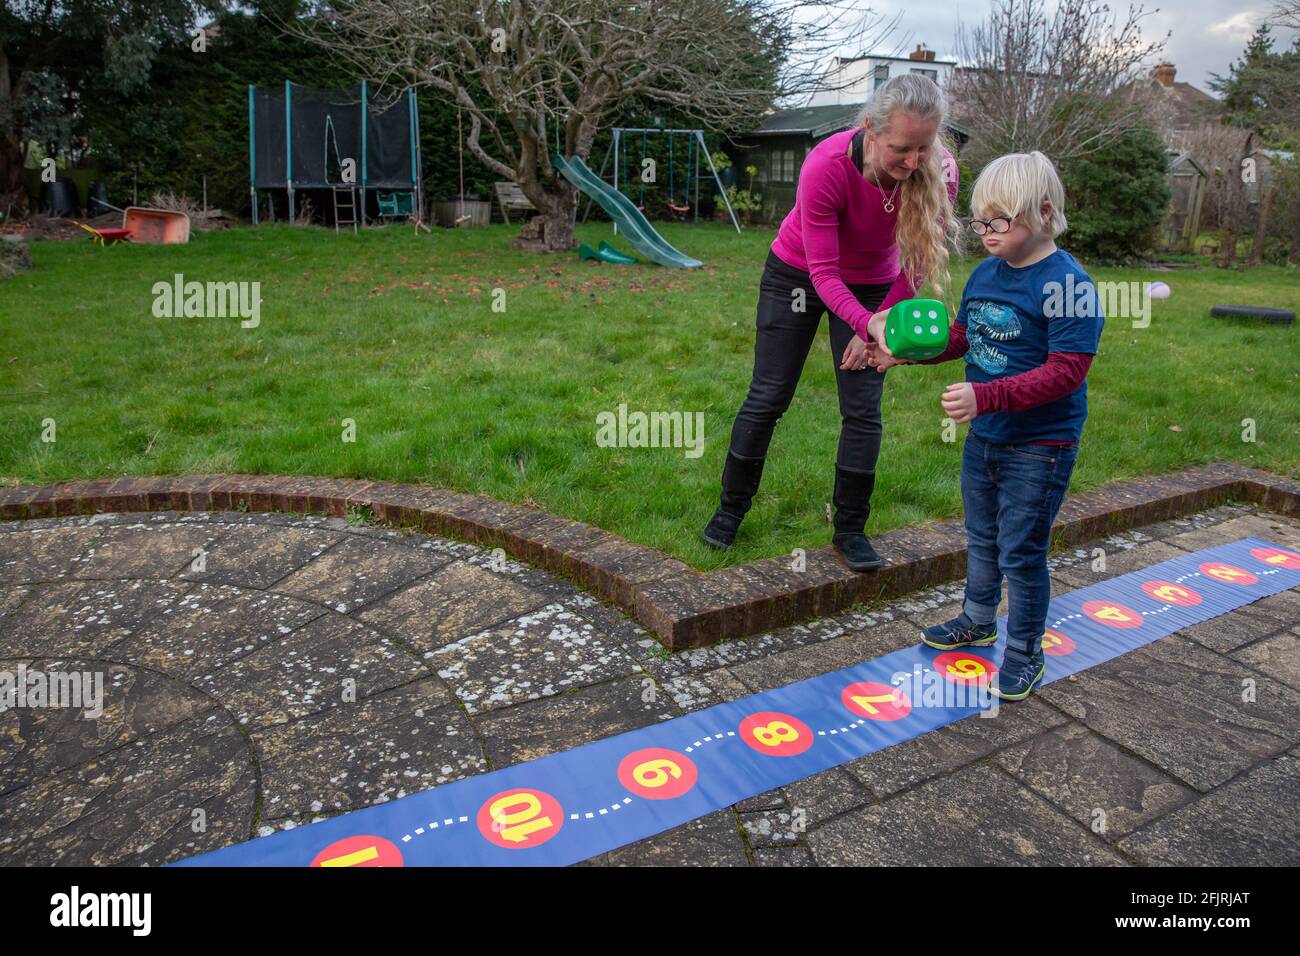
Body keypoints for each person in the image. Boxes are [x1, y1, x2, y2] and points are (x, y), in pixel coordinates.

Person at [702, 74, 961, 571]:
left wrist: (877, 324)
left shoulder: (940, 170)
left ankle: (850, 529)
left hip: (875, 286)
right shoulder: (826, 164)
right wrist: (866, 325)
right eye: (901, 149)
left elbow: (919, 259)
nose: (913, 162)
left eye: (923, 148)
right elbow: (822, 273)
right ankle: (729, 512)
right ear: (870, 129)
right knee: (770, 394)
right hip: (798, 275)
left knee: (863, 409)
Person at [872, 150, 1104, 700]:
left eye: (999, 220)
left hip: (1040, 444)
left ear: (1043, 213)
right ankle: (978, 620)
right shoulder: (985, 274)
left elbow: (1066, 373)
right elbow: (964, 337)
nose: (986, 232)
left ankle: (1024, 651)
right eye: (980, 221)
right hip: (987, 437)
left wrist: (986, 396)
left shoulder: (1069, 286)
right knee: (981, 537)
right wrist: (906, 352)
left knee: (1020, 551)